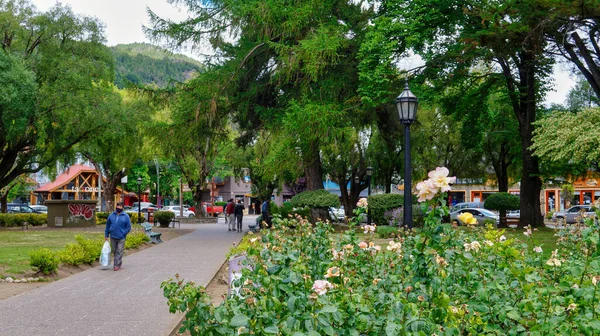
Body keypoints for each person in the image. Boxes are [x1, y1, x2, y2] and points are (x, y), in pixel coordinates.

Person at [104, 202, 131, 271]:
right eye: (117, 206)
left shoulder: (126, 216)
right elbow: (107, 226)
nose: (118, 208)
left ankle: (116, 265)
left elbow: (128, 227)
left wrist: (123, 233)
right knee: (115, 251)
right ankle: (119, 262)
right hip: (112, 236)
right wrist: (106, 235)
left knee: (119, 250)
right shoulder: (111, 215)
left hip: (121, 237)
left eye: (120, 206)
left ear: (122, 207)